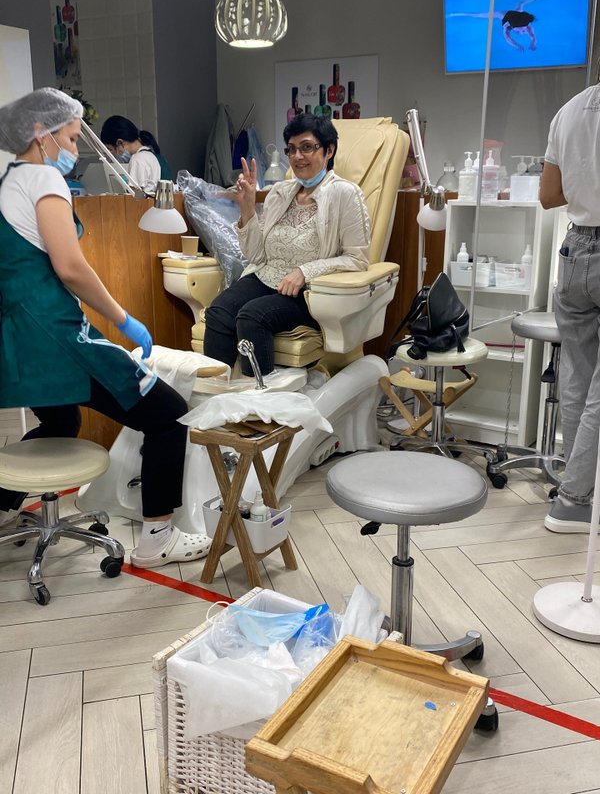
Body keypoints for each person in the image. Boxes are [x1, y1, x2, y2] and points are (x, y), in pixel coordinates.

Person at [0, 87, 209, 567]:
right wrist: (123, 318)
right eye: (73, 138)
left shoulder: (7, 182)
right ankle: (157, 537)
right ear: (41, 133)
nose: (75, 149)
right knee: (168, 414)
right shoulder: (43, 179)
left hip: (19, 340)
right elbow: (70, 268)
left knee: (61, 422)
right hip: (54, 333)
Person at [203, 113, 371, 377]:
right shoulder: (280, 192)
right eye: (291, 149)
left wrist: (305, 272)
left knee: (251, 316)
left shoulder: (345, 194)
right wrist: (247, 209)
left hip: (310, 292)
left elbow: (357, 259)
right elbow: (257, 255)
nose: (297, 156)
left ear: (329, 151)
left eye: (307, 147)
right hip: (266, 277)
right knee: (218, 311)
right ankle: (218, 392)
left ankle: (261, 397)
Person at [539, 82, 600, 534]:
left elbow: (548, 195)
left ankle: (576, 491)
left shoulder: (570, 109)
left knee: (578, 377)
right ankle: (576, 498)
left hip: (576, 248)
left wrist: (586, 183)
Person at [100, 115, 171, 192]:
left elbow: (135, 196)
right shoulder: (153, 156)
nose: (112, 154)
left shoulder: (138, 159)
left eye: (110, 149)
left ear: (120, 143)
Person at [449, 0, 544, 52]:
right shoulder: (507, 26)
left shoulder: (527, 25)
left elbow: (533, 37)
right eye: (522, 29)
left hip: (516, 16)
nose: (524, 30)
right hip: (506, 15)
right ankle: (456, 14)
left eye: (524, 28)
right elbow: (508, 39)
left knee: (521, 4)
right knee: (478, 15)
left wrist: (533, 43)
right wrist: (517, 45)